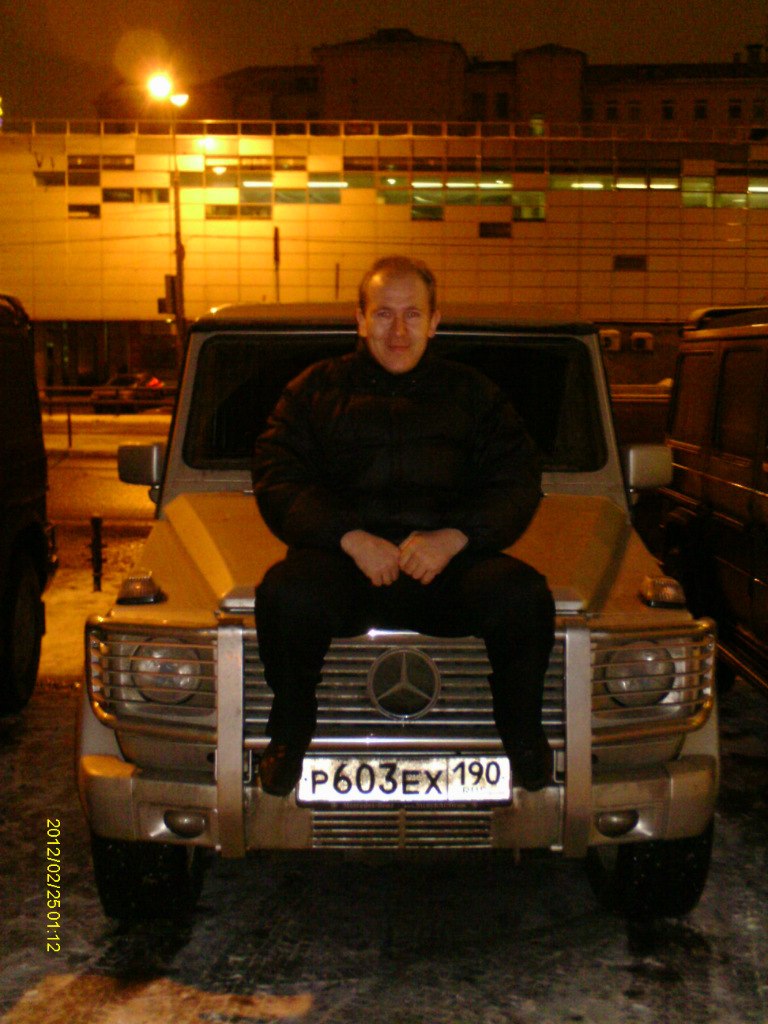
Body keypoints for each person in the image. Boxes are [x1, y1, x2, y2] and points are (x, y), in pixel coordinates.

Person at [252, 255, 555, 797]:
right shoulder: (313, 392)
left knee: (524, 597)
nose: (398, 331)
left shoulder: (474, 395)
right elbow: (278, 476)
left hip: (447, 568)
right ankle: (289, 732)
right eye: (383, 314)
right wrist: (349, 537)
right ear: (360, 319)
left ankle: (524, 736)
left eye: (412, 315)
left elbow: (516, 480)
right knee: (284, 593)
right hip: (345, 567)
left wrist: (454, 537)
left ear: (435, 322)